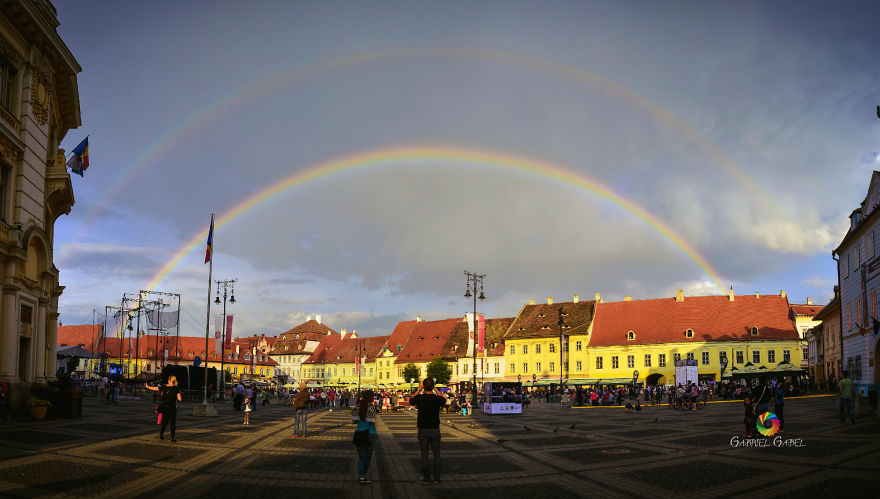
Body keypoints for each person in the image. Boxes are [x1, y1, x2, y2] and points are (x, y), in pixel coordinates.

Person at [410, 377, 445, 484]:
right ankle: (437, 478)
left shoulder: (420, 398)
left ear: (423, 386)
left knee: (424, 454)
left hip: (423, 429)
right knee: (437, 454)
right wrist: (436, 389)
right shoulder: (436, 398)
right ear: (433, 386)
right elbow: (443, 399)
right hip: (435, 429)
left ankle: (426, 477)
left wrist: (419, 389)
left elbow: (411, 401)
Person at [353, 390, 379, 484]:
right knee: (368, 457)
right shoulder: (372, 407)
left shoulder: (357, 407)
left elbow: (354, 421)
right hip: (370, 433)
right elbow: (373, 421)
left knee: (361, 457)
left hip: (359, 433)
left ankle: (361, 477)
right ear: (371, 398)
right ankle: (364, 475)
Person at [146, 375, 182, 442]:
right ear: (173, 381)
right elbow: (180, 399)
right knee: (172, 423)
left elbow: (156, 388)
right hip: (172, 407)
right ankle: (172, 437)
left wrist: (148, 387)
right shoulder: (176, 388)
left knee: (164, 422)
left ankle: (161, 435)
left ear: (170, 380)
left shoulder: (164, 386)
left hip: (164, 407)